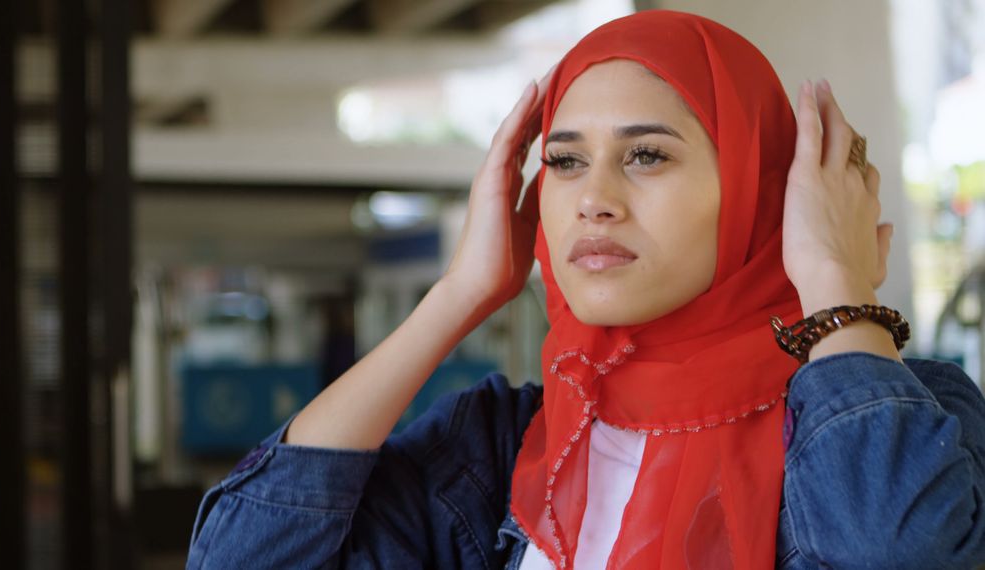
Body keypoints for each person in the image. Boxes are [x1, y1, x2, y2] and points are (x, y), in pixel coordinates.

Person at [186, 11, 985, 569]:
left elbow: (894, 551)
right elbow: (242, 556)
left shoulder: (922, 420)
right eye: (565, 161)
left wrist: (838, 295)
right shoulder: (503, 447)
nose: (592, 197)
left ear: (759, 192)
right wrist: (459, 295)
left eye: (646, 156)